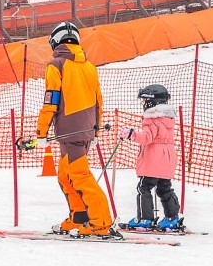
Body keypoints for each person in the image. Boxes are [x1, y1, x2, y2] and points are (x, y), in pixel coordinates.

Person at [35, 21, 113, 236]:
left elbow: (51, 101)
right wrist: (95, 131)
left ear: (55, 41)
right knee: (65, 175)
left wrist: (42, 132)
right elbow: (99, 101)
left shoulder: (56, 65)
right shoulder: (89, 66)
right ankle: (79, 217)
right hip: (85, 130)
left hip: (70, 130)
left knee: (79, 176)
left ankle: (101, 222)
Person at [118, 84, 183, 232]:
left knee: (144, 188)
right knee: (164, 188)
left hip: (153, 160)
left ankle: (145, 218)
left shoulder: (151, 119)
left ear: (151, 102)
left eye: (144, 102)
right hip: (167, 159)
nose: (143, 105)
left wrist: (131, 134)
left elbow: (147, 137)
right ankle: (172, 217)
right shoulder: (168, 119)